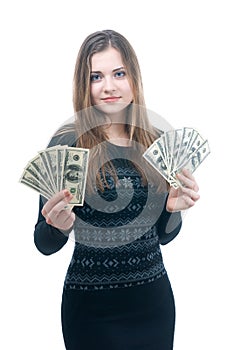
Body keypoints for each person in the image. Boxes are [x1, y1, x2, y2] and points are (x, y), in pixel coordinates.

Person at [34, 29, 200, 350]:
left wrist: (170, 211)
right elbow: (43, 243)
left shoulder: (153, 140)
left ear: (133, 79)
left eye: (118, 73)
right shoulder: (67, 143)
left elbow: (164, 237)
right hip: (90, 313)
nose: (109, 86)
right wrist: (56, 227)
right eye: (96, 76)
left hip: (153, 306)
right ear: (85, 86)